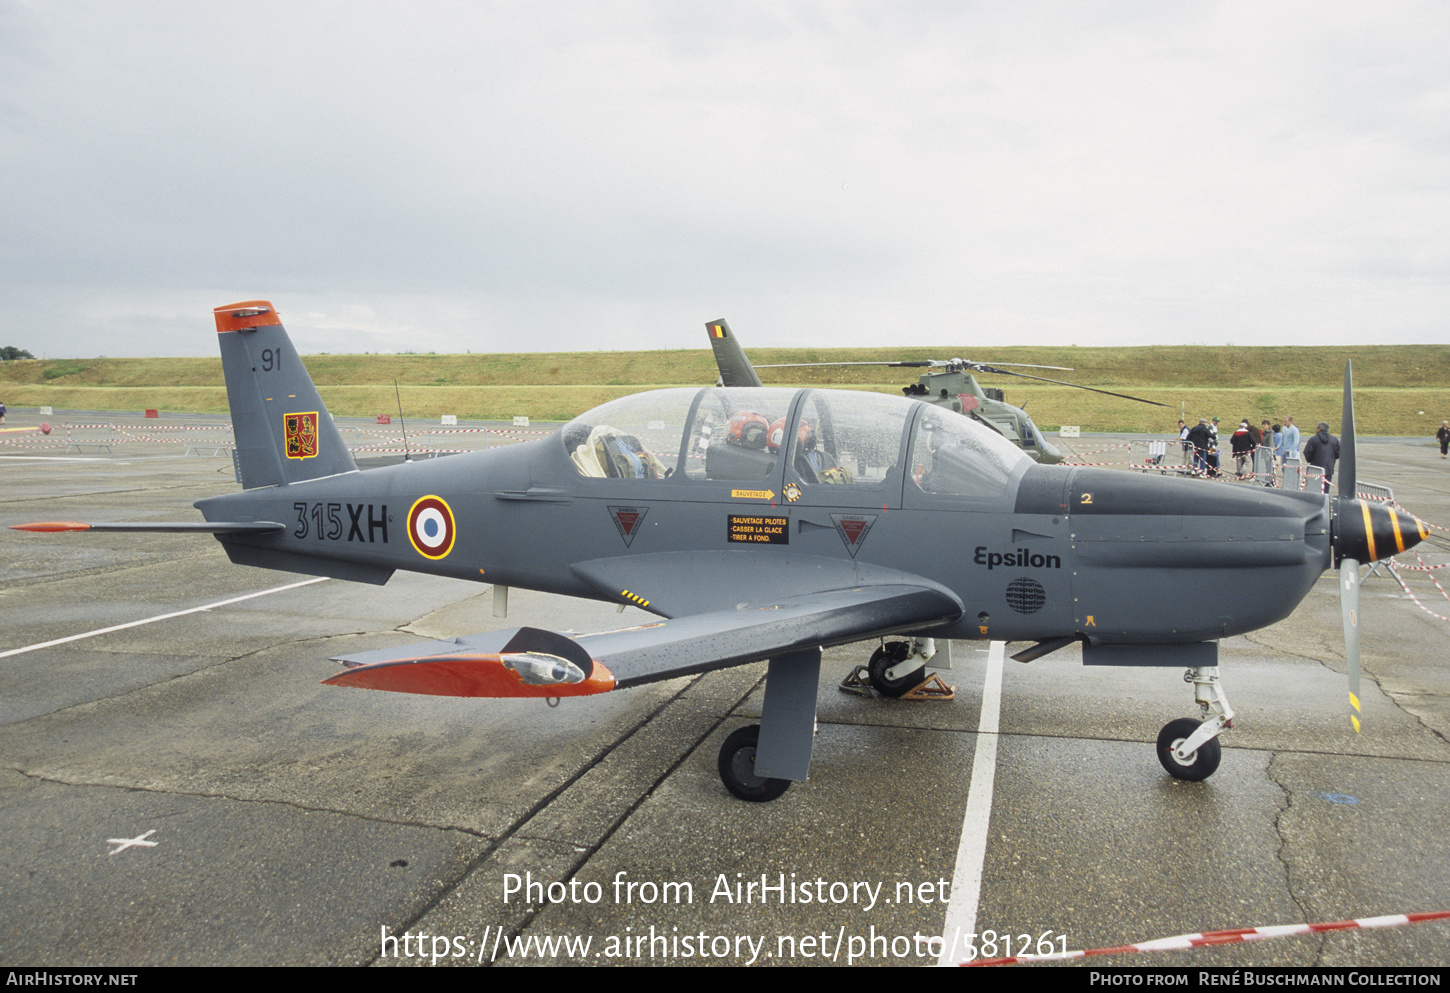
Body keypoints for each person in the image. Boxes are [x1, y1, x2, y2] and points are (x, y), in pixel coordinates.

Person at [1302, 421, 1341, 492]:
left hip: (1315, 468)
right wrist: (1331, 459)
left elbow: (1307, 451)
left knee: (1314, 489)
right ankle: (1325, 502)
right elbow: (1339, 453)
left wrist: (1310, 460)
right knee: (1325, 490)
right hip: (1328, 468)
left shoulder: (1313, 439)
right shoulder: (1334, 440)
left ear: (1319, 429)